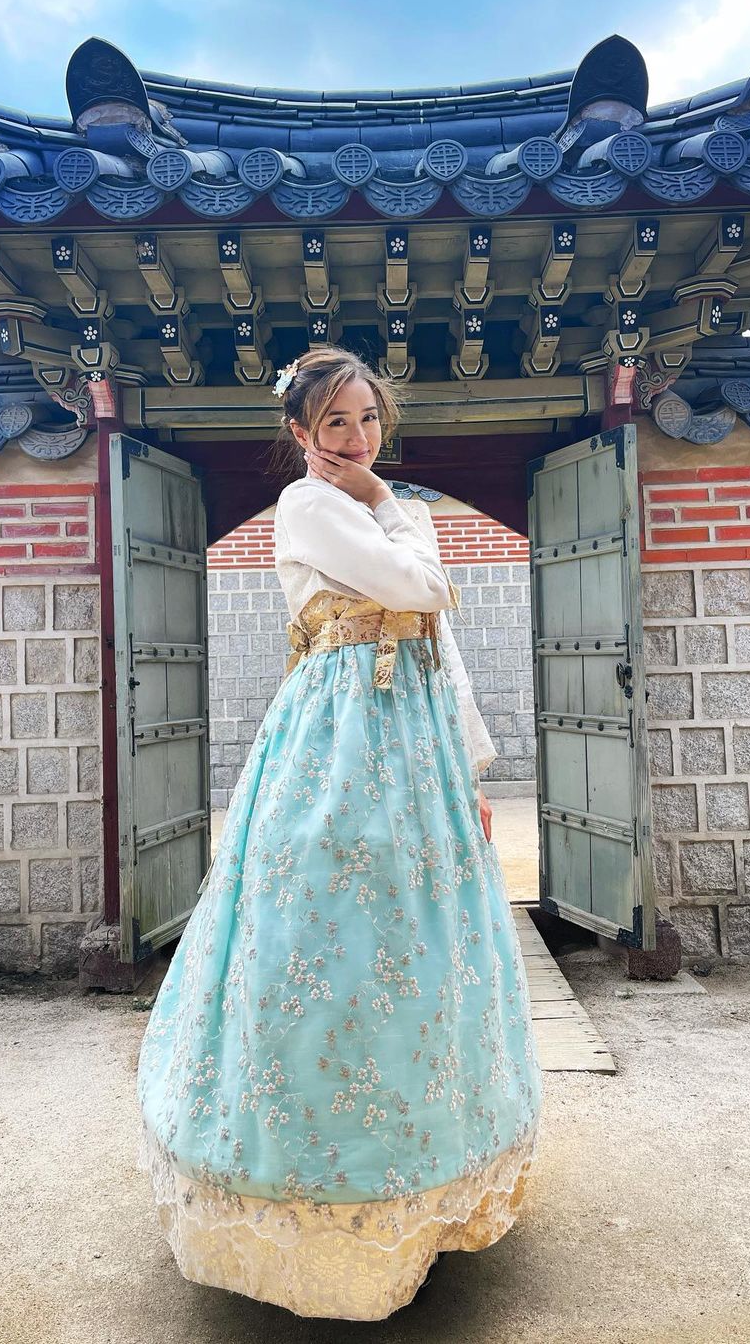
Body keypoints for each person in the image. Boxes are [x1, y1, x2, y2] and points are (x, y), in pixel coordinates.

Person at [135, 346, 543, 1320]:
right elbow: (424, 588)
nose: (357, 438)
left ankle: (431, 1171)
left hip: (412, 736)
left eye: (367, 419)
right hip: (340, 735)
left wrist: (467, 766)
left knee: (424, 941)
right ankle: (311, 1182)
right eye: (335, 424)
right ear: (301, 434)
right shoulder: (310, 506)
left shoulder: (377, 505)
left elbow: (439, 643)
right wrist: (389, 504)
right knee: (324, 934)